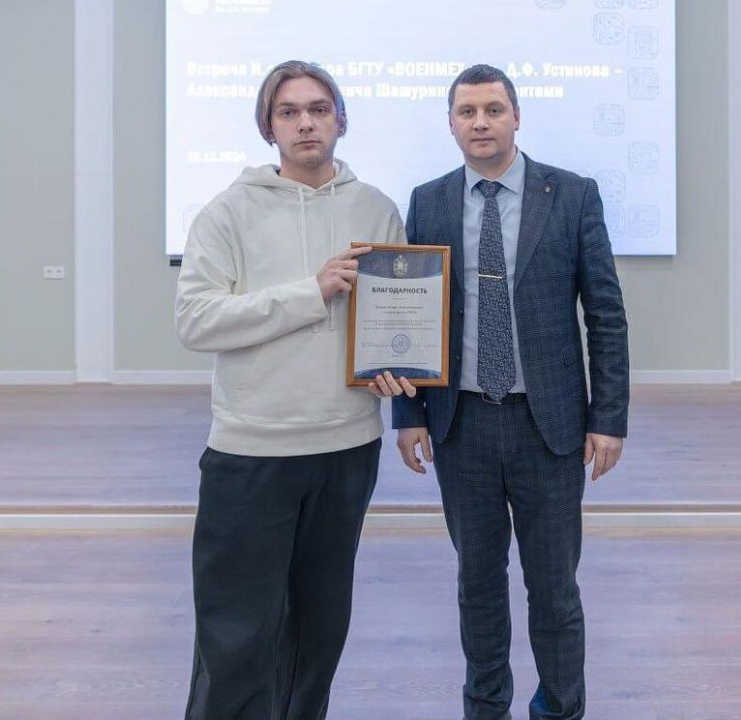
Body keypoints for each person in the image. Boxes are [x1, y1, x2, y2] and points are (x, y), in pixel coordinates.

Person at [392, 64, 630, 720]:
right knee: (477, 586)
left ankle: (559, 708)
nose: (480, 123)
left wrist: (609, 418)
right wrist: (407, 412)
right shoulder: (429, 201)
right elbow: (411, 314)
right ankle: (485, 706)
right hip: (460, 425)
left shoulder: (572, 195)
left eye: (493, 110)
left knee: (553, 589)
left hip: (547, 427)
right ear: (450, 123)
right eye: (466, 112)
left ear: (516, 117)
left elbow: (604, 314)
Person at [175, 60, 410, 720]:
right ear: (268, 127)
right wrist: (311, 292)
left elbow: (395, 319)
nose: (305, 122)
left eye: (318, 109)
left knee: (317, 635)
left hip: (347, 449)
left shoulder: (376, 209)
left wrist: (396, 367)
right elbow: (195, 320)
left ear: (341, 121)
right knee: (235, 638)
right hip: (252, 451)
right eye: (288, 112)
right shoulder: (226, 213)